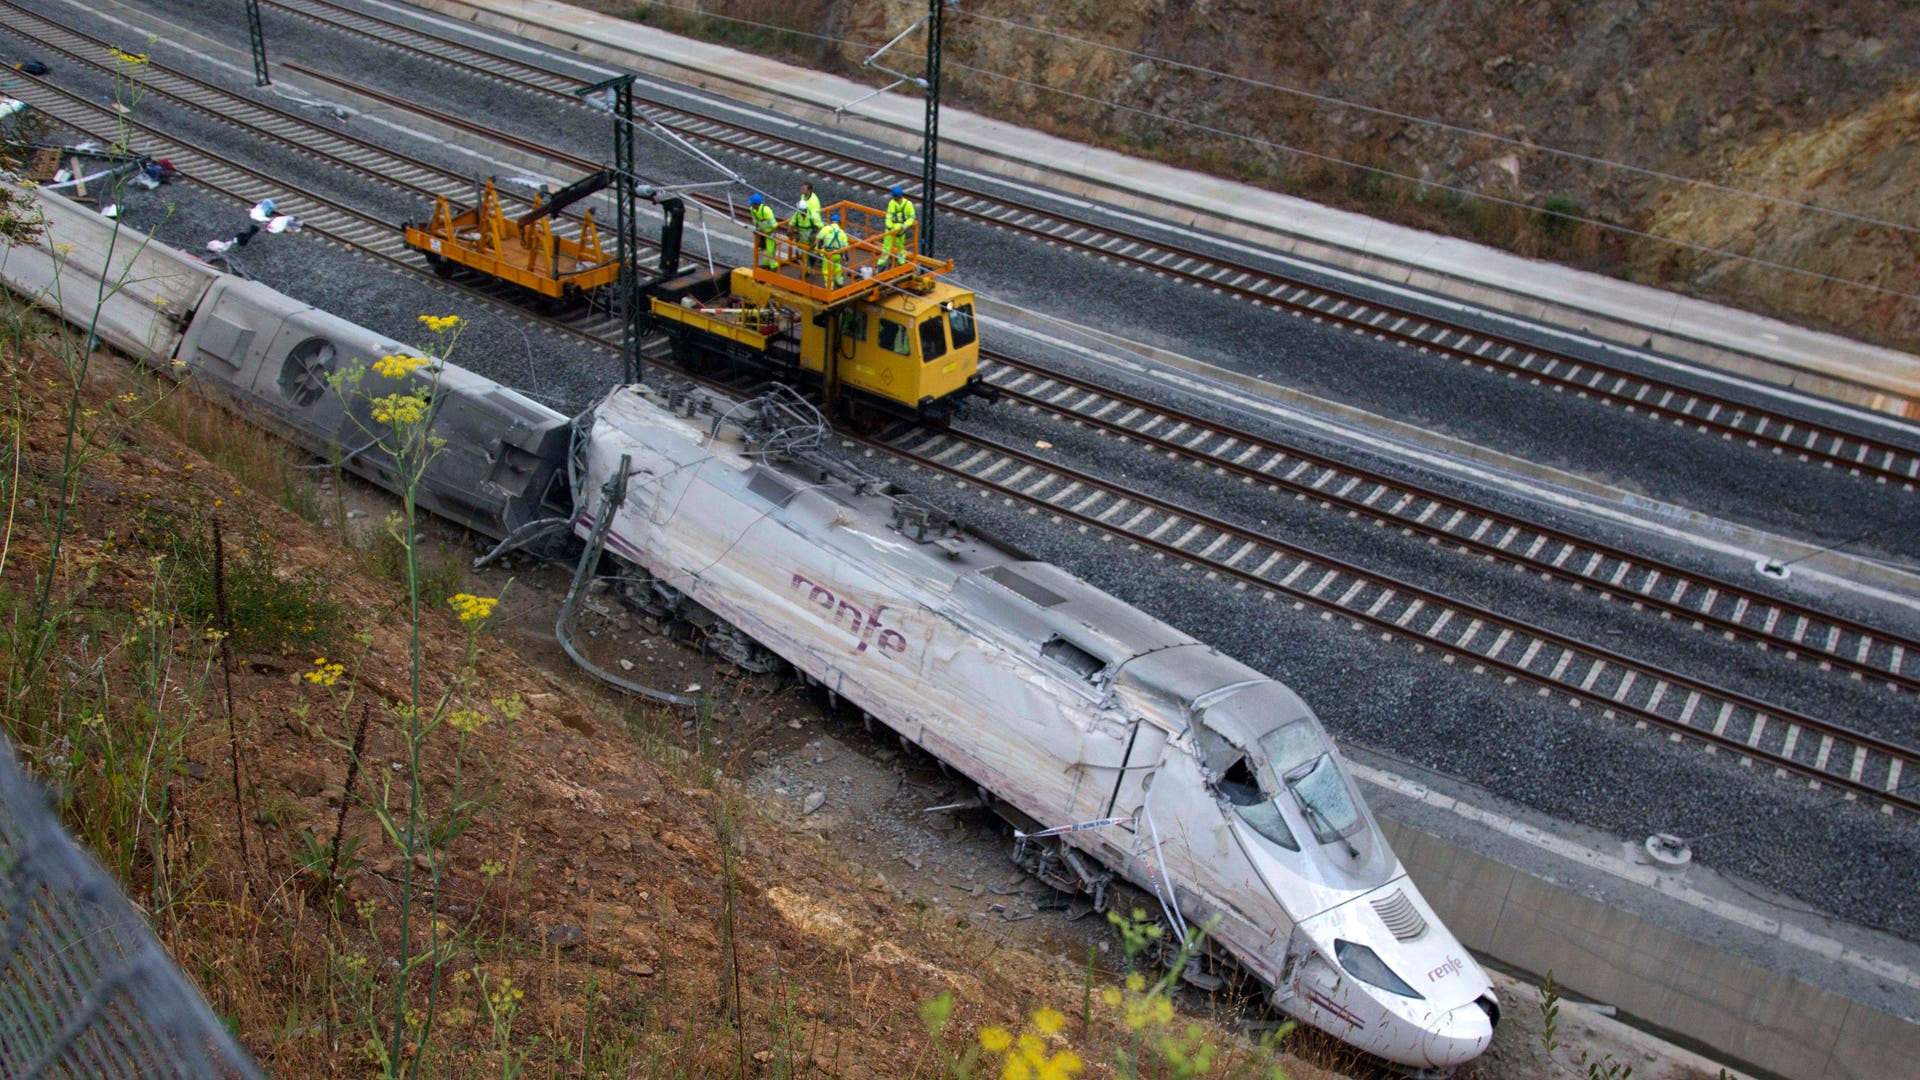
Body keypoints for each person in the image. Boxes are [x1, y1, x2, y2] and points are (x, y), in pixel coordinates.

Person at [786, 182, 823, 267]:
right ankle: (806, 264)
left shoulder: (813, 203)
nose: (802, 191)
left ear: (809, 190)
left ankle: (812, 263)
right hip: (803, 235)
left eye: (804, 189)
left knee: (812, 251)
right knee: (802, 251)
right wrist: (790, 229)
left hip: (810, 231)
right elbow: (793, 220)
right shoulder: (803, 199)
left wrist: (816, 239)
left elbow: (818, 223)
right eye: (802, 189)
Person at [881, 184, 915, 269]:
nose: (892, 197)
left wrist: (904, 226)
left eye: (893, 196)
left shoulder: (908, 204)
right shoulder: (892, 203)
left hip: (901, 229)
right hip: (891, 229)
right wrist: (890, 227)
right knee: (886, 246)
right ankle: (882, 262)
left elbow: (912, 218)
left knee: (900, 246)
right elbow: (889, 217)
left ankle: (901, 262)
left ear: (896, 196)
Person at [816, 212, 849, 287]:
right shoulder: (842, 232)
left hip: (827, 254)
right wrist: (847, 258)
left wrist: (810, 249)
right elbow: (846, 247)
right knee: (837, 267)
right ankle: (839, 281)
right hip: (837, 254)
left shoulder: (826, 229)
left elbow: (817, 240)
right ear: (839, 222)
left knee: (826, 270)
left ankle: (829, 285)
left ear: (831, 221)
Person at [747, 193, 779, 270]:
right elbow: (755, 221)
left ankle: (774, 267)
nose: (750, 205)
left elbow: (774, 225)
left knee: (771, 250)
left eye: (752, 204)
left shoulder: (766, 211)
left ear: (756, 204)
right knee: (764, 249)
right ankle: (766, 264)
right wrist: (757, 230)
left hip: (769, 233)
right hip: (762, 232)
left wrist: (772, 233)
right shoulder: (752, 210)